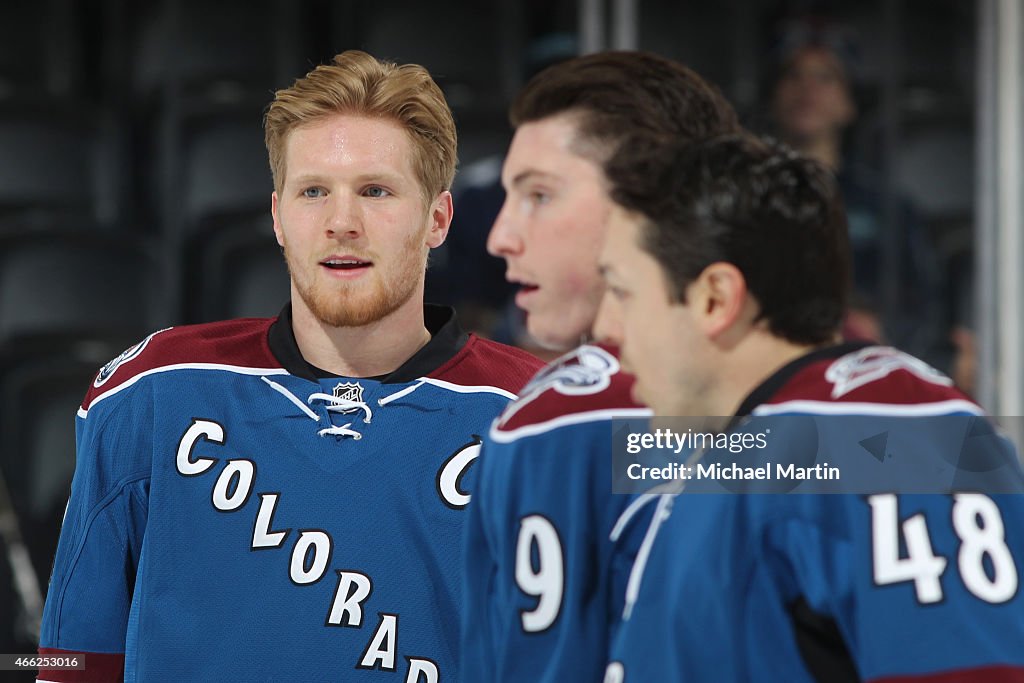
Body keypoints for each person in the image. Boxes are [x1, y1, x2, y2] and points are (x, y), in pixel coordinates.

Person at [37, 50, 543, 682]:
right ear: (278, 216)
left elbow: (695, 465)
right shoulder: (150, 392)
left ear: (437, 219)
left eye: (375, 191)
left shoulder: (538, 413)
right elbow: (70, 663)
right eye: (313, 192)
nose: (341, 223)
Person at [594, 133, 1024, 681]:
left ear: (715, 299)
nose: (606, 328)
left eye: (622, 292)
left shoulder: (892, 439)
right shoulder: (748, 449)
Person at [460, 51, 739, 682]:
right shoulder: (884, 408)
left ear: (651, 200)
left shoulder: (558, 423)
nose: (501, 235)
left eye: (538, 194)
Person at [769, 36, 946, 366]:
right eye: (793, 75)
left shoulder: (886, 207)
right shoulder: (747, 197)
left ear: (848, 105)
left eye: (825, 77)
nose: (807, 88)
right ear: (774, 96)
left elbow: (923, 302)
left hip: (862, 364)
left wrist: (884, 330)